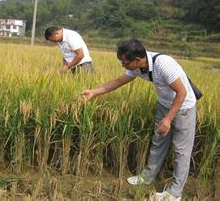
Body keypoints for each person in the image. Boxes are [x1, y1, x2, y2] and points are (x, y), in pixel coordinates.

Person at [81, 39, 197, 201]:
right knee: (158, 142)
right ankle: (147, 177)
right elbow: (118, 82)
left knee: (181, 151)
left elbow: (182, 92)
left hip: (183, 107)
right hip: (164, 104)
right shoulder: (138, 67)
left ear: (137, 60)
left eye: (124, 62)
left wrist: (168, 119)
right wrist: (94, 92)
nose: (123, 65)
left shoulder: (163, 64)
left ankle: (174, 193)